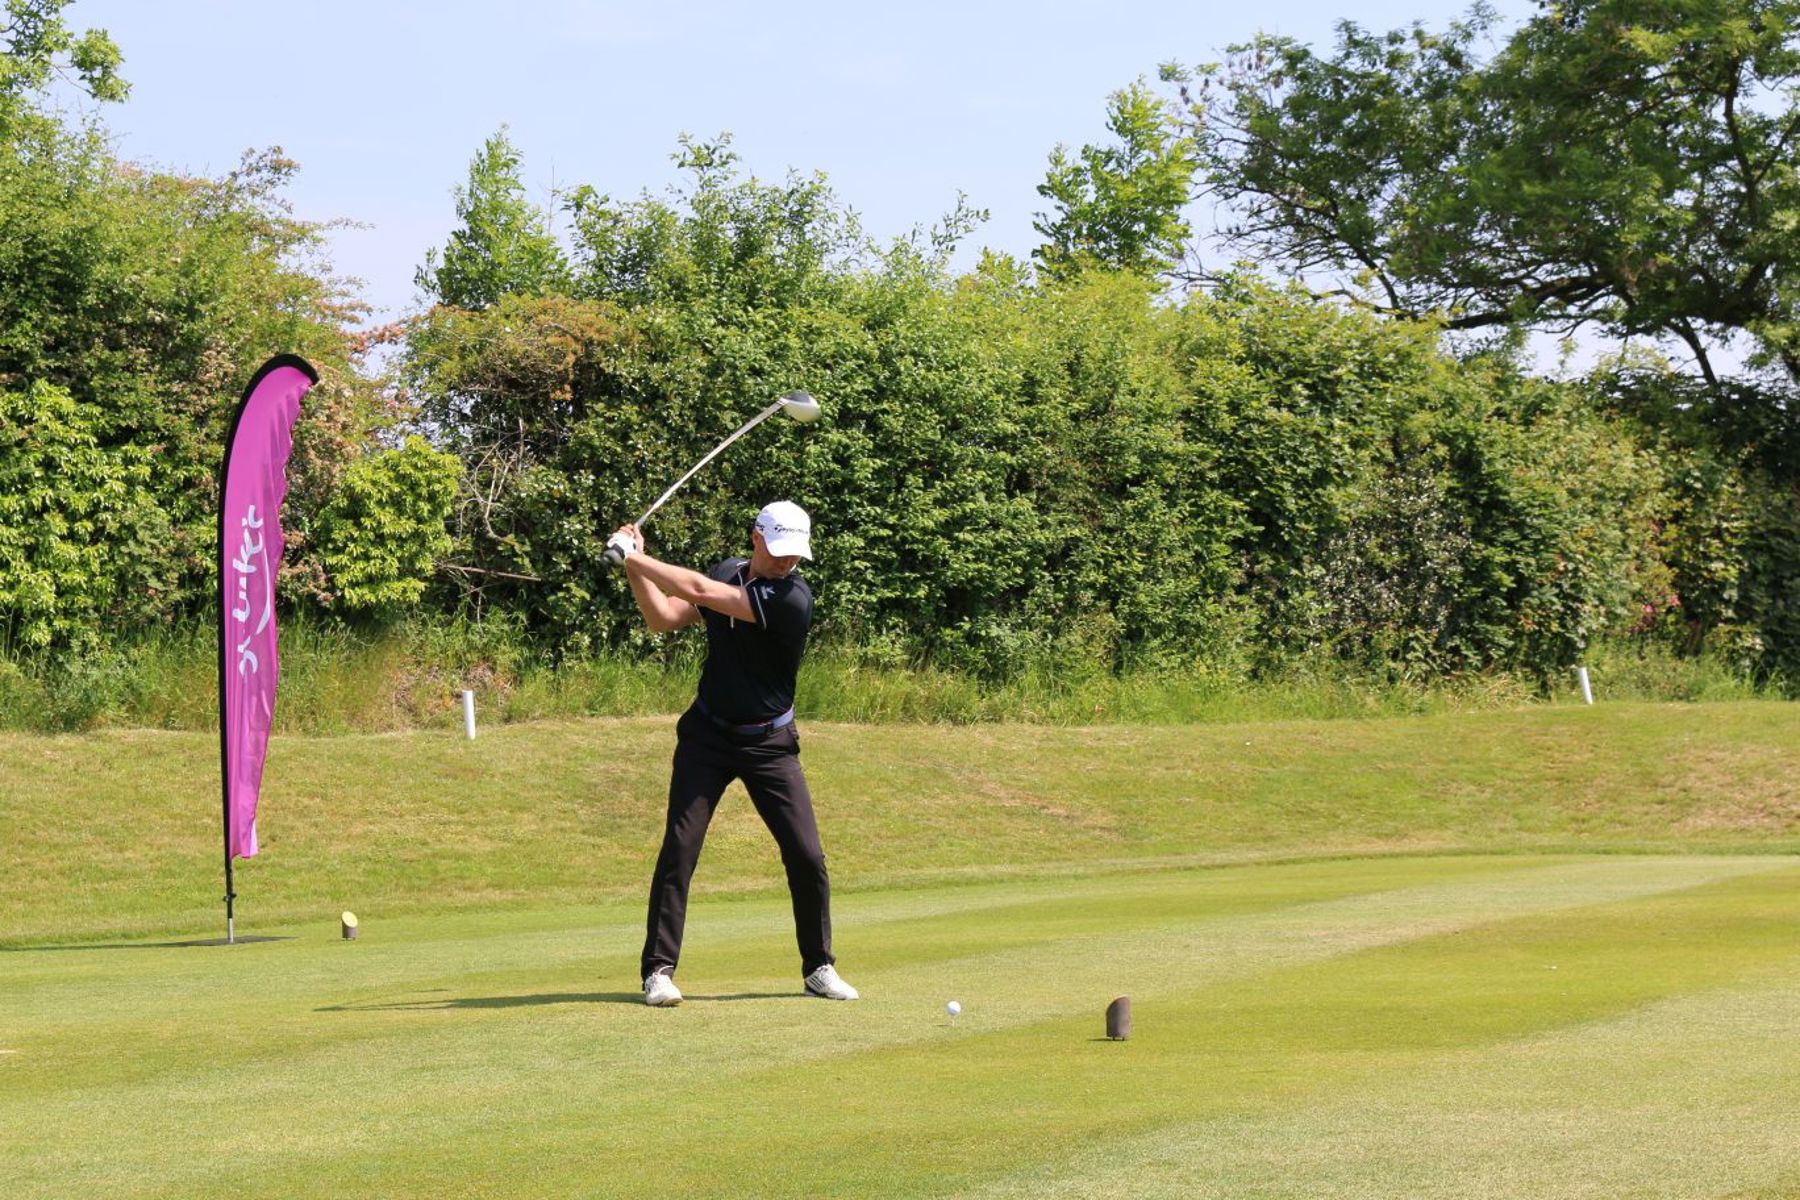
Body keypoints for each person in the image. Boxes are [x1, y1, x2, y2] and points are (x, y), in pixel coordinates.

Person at [606, 501, 858, 1007]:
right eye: (780, 550)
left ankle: (818, 966)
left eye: (796, 554)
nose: (788, 562)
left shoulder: (792, 598)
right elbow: (662, 617)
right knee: (680, 849)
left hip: (769, 744)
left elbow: (699, 591)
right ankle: (658, 972)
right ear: (756, 538)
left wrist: (633, 556)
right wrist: (635, 568)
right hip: (707, 737)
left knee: (807, 855)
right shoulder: (728, 572)